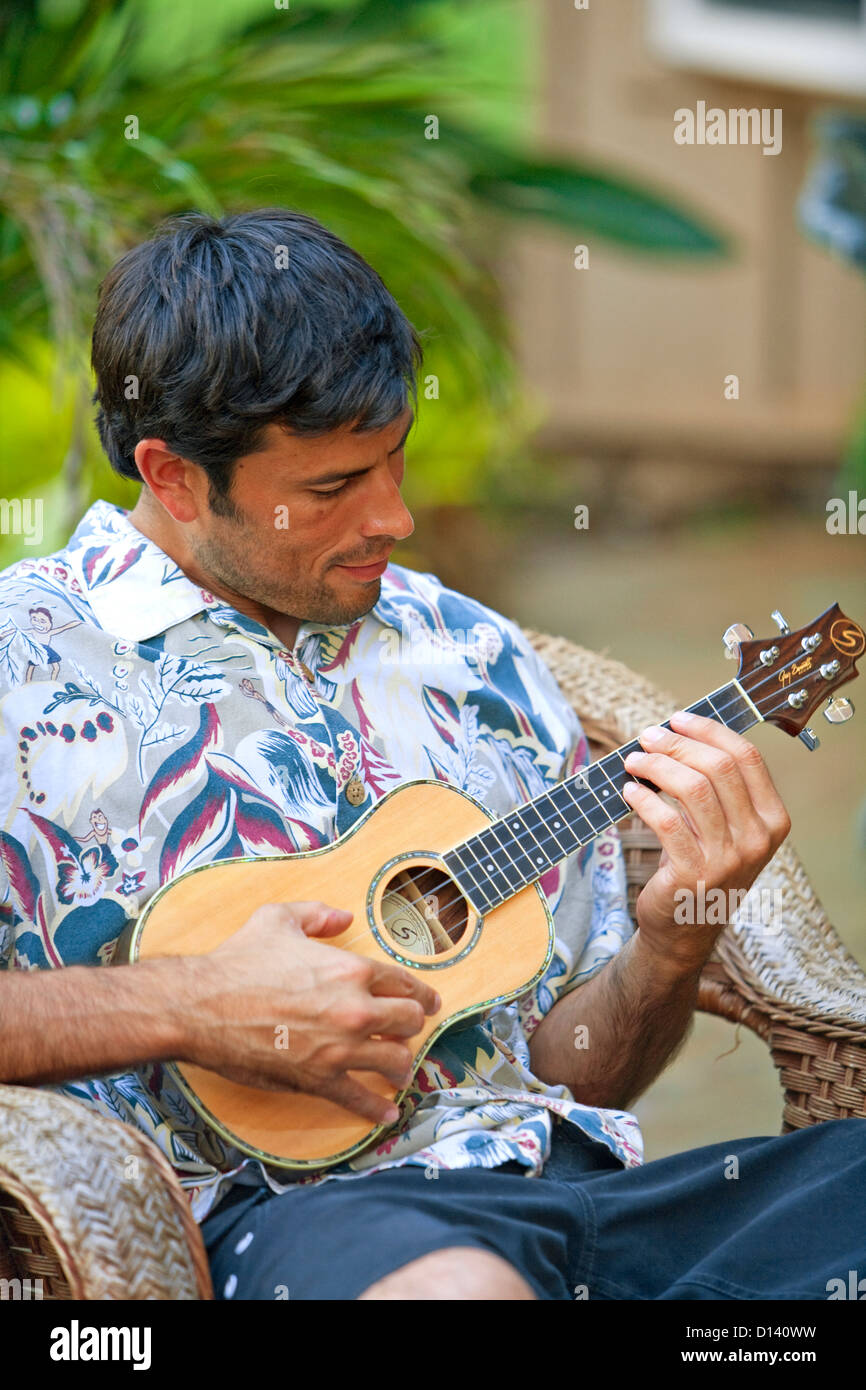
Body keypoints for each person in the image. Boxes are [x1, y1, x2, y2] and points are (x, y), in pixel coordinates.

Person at [0, 209, 863, 1302]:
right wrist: (194, 1004)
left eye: (395, 458)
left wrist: (666, 942)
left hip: (577, 1200)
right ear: (174, 479)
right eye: (331, 488)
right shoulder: (19, 669)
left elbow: (575, 1073)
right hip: (298, 1226)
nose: (396, 517)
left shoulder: (476, 659)